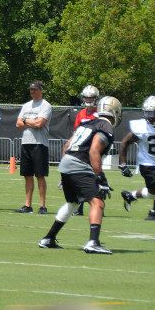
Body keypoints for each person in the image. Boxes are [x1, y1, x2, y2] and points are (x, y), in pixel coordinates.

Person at [39, 96, 121, 254]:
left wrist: (66, 169)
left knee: (73, 203)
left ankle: (48, 238)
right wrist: (101, 178)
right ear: (115, 112)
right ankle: (93, 242)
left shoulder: (87, 123)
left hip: (67, 162)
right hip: (80, 164)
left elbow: (67, 145)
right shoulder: (106, 127)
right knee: (98, 202)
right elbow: (94, 151)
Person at [119, 95, 155, 227]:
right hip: (148, 165)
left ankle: (131, 195)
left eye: (153, 113)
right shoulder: (141, 126)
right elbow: (125, 142)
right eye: (148, 113)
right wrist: (123, 164)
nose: (151, 116)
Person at [17, 81, 52, 214]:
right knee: (27, 175)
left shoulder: (46, 105)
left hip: (39, 144)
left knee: (40, 175)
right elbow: (18, 124)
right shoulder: (26, 105)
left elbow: (40, 124)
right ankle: (27, 205)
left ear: (41, 90)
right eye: (31, 89)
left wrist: (26, 121)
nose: (33, 91)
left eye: (35, 89)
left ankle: (42, 206)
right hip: (26, 143)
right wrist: (29, 122)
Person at [68, 85, 99, 216]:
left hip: (95, 149)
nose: (88, 99)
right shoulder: (81, 113)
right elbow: (76, 132)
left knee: (95, 177)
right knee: (80, 176)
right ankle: (79, 207)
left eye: (90, 97)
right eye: (86, 97)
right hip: (82, 149)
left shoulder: (99, 114)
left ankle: (98, 204)